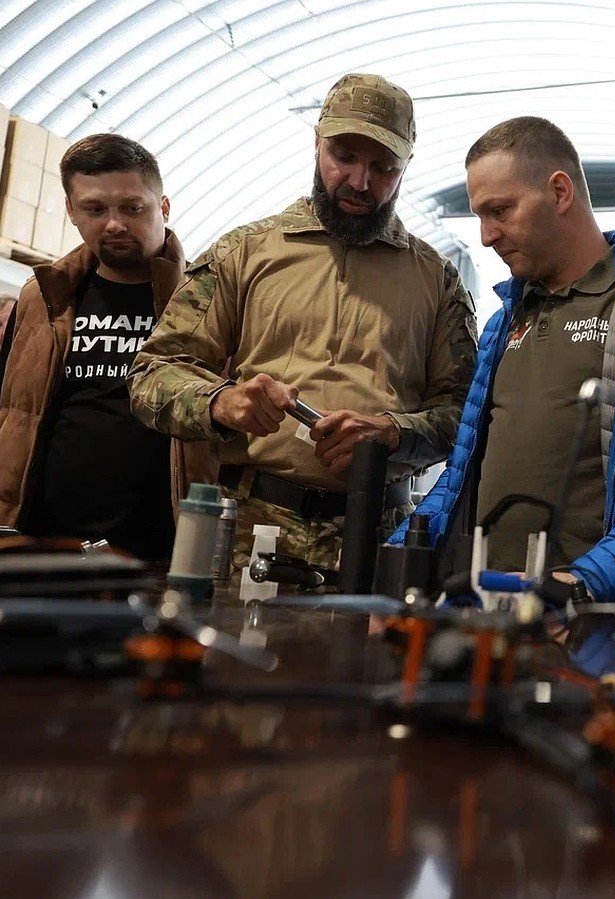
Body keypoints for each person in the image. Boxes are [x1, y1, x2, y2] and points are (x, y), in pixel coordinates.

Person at [389, 116, 615, 621]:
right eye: (479, 217)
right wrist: (396, 557)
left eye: (500, 211)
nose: (487, 236)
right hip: (495, 615)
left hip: (607, 622)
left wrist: (583, 583)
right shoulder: (501, 325)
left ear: (559, 192)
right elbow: (462, 475)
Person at [128, 73, 478, 569]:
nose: (360, 182)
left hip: (379, 541)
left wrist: (394, 433)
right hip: (247, 533)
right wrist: (221, 402)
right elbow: (151, 376)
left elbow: (464, 413)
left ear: (405, 169)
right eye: (345, 157)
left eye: (383, 167)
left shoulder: (437, 281)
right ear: (316, 144)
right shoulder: (243, 255)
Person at [0, 134, 216, 561]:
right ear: (71, 211)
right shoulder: (42, 298)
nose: (114, 224)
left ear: (164, 207)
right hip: (45, 545)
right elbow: (12, 413)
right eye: (95, 209)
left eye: (132, 208)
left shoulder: (205, 302)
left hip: (158, 550)